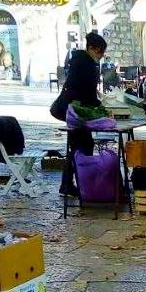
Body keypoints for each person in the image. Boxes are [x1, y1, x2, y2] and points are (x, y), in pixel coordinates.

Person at [55, 32, 107, 195]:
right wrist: (100, 107)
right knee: (81, 148)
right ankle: (82, 184)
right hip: (77, 113)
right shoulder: (85, 64)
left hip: (75, 111)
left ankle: (68, 183)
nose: (101, 56)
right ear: (91, 48)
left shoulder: (80, 61)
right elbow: (86, 92)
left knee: (76, 148)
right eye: (99, 52)